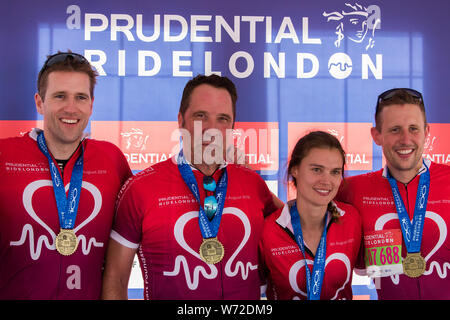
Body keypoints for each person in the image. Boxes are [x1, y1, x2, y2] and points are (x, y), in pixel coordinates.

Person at [101, 74, 279, 299]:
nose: (211, 129)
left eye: (222, 119)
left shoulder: (253, 184)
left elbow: (302, 222)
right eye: (200, 116)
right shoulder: (140, 188)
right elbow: (115, 278)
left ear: (233, 127)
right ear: (180, 120)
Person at [0, 51, 132, 299]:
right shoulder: (4, 155)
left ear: (91, 105)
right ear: (40, 102)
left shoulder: (112, 159)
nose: (71, 108)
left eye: (80, 97)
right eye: (60, 96)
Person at [337, 88, 450, 299]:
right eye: (395, 129)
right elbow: (302, 218)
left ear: (427, 132)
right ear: (376, 136)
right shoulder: (352, 190)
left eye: (414, 129)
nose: (406, 139)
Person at [259, 131, 362, 300]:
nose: (326, 181)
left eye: (335, 172)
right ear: (295, 169)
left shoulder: (352, 219)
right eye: (316, 169)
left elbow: (385, 272)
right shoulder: (268, 230)